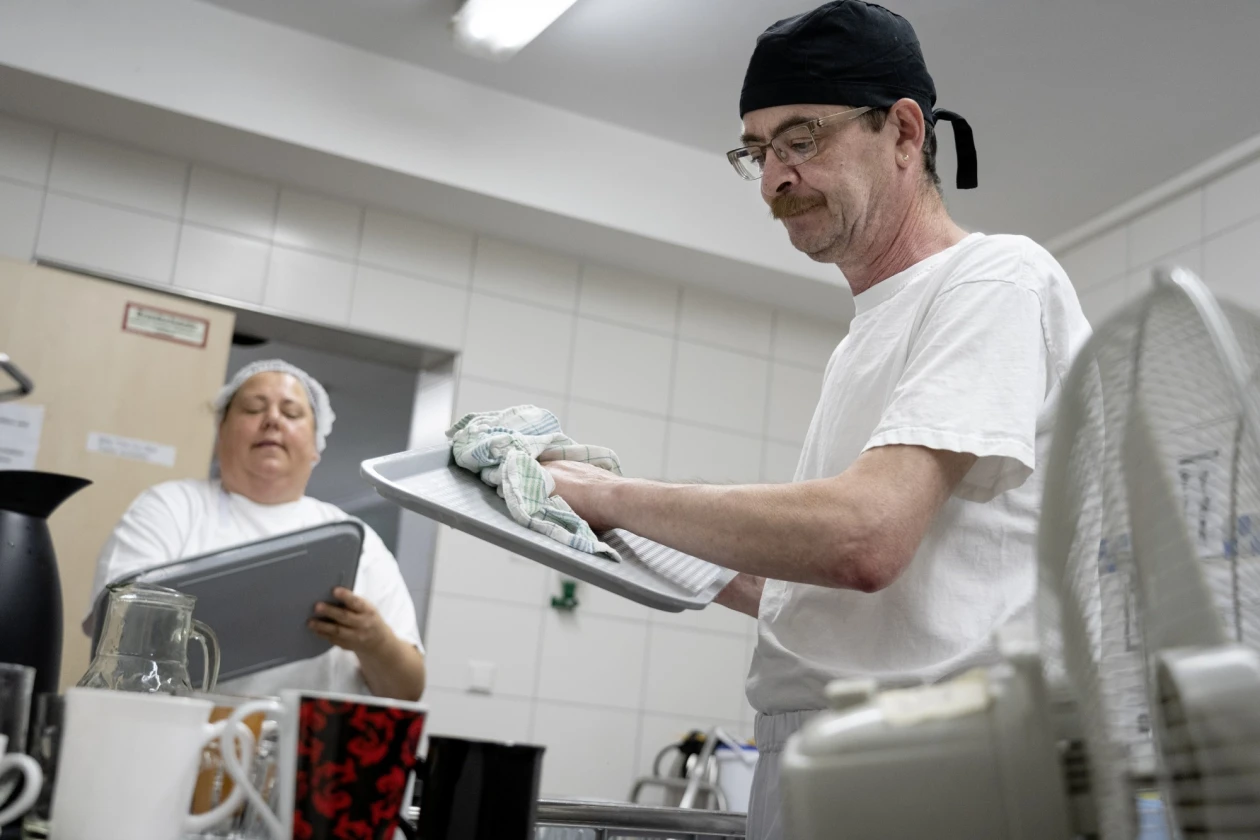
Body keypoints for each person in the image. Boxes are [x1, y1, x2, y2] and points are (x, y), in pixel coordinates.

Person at [543, 2, 1091, 837]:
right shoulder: (865, 337)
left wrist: (610, 497)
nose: (773, 180)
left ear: (905, 131)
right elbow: (811, 588)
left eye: (802, 138)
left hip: (935, 760)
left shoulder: (995, 279)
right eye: (757, 151)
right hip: (824, 748)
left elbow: (863, 539)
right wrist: (595, 523)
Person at [86, 359, 426, 701]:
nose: (272, 420)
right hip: (178, 736)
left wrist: (376, 643)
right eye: (253, 409)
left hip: (307, 746)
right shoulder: (170, 507)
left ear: (315, 446)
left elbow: (407, 691)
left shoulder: (358, 543)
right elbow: (117, 636)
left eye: (291, 414)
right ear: (222, 431)